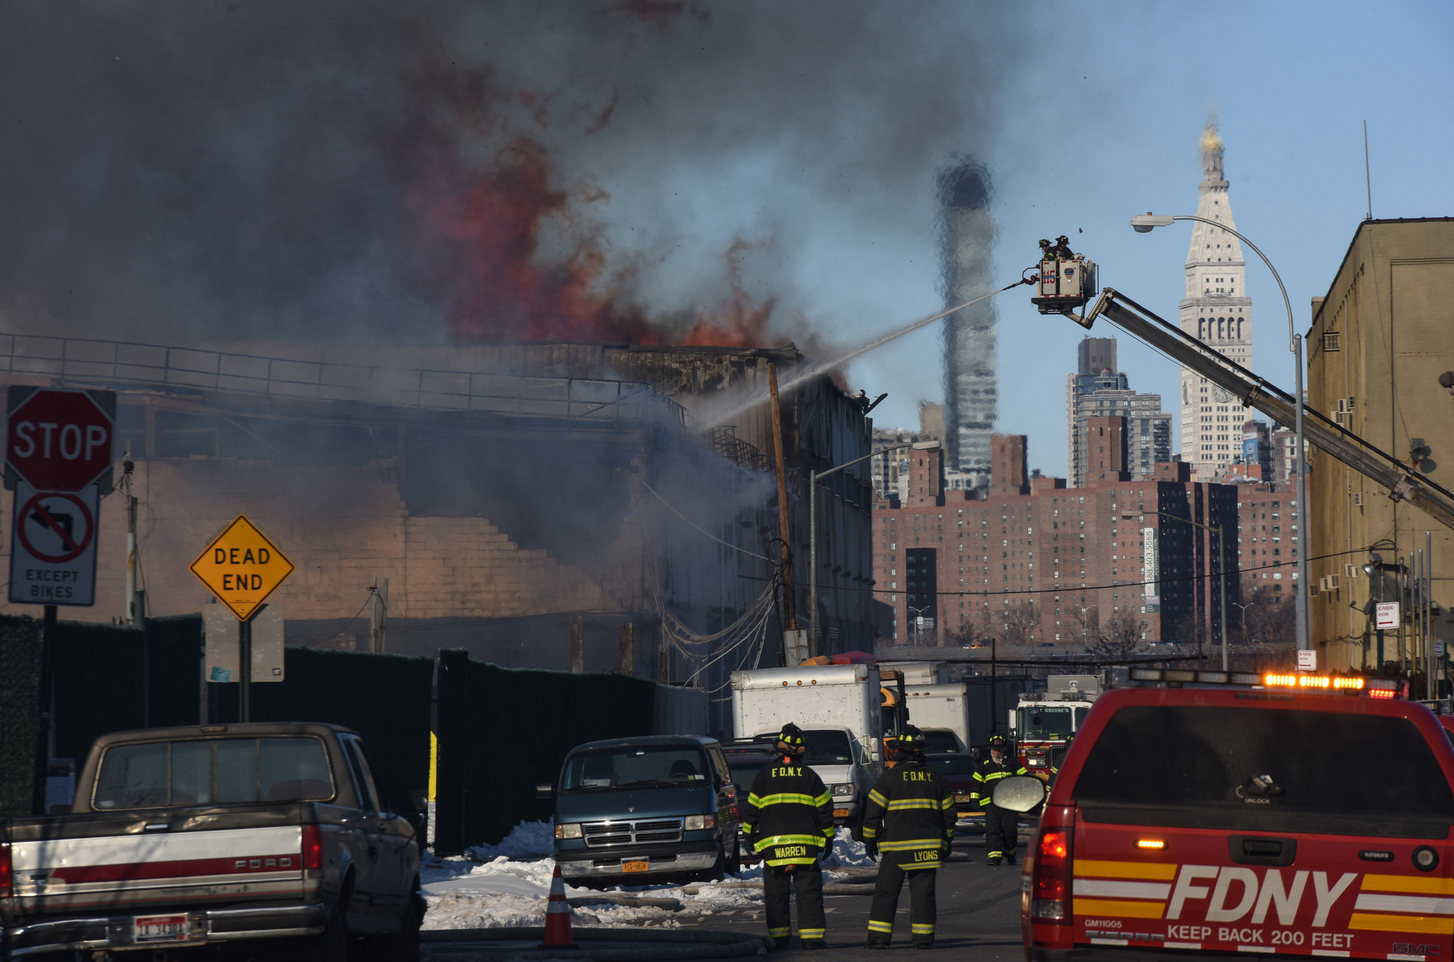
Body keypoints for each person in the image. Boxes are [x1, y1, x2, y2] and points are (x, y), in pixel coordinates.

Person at [861, 726, 956, 950]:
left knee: (886, 893)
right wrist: (946, 841)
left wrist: (869, 839)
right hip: (929, 849)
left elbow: (873, 812)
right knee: (924, 895)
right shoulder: (937, 779)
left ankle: (878, 939)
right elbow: (950, 816)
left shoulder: (889, 778)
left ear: (900, 752)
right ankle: (924, 939)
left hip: (897, 849)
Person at [743, 723, 834, 950]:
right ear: (801, 750)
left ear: (778, 748)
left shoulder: (763, 776)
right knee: (809, 894)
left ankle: (779, 939)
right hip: (805, 850)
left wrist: (747, 835)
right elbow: (825, 808)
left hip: (774, 851)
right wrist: (828, 836)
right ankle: (812, 939)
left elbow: (751, 809)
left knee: (776, 896)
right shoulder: (810, 776)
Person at [973, 734, 1028, 866]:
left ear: (1004, 750)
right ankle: (994, 857)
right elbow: (976, 783)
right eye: (995, 750)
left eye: (999, 750)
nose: (997, 753)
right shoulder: (984, 765)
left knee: (1010, 831)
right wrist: (974, 799)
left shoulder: (1012, 762)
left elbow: (1025, 779)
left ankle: (1010, 853)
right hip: (990, 804)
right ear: (991, 750)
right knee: (992, 830)